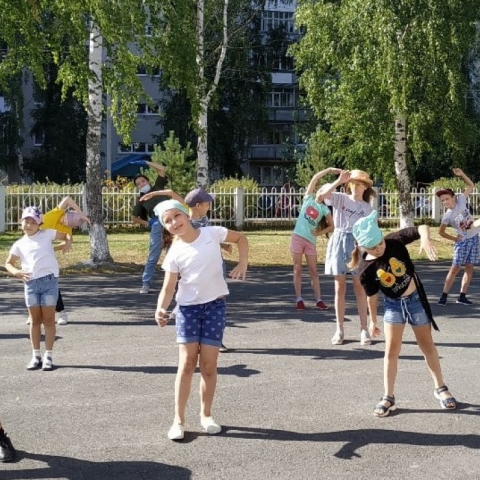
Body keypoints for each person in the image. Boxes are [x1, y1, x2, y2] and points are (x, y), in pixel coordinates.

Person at [153, 200, 248, 441]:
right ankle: (178, 420)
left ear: (186, 214)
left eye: (177, 216)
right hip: (188, 311)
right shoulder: (174, 252)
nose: (174, 222)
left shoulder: (211, 233)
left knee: (208, 366)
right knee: (186, 364)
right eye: (168, 221)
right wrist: (160, 310)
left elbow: (241, 239)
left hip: (215, 306)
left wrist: (243, 262)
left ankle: (206, 416)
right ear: (165, 226)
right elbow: (168, 287)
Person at [349, 210, 456, 417]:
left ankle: (440, 388)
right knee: (391, 350)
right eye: (373, 247)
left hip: (415, 301)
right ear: (363, 247)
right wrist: (372, 321)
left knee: (427, 346)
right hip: (393, 306)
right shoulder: (365, 269)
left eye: (380, 242)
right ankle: (388, 397)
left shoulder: (394, 241)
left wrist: (425, 240)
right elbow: (372, 296)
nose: (380, 248)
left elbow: (422, 227)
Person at [144, 186, 232, 352]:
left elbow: (210, 236)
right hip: (195, 265)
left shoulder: (204, 220)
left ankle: (213, 338)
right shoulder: (186, 217)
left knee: (215, 296)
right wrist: (154, 194)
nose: (210, 205)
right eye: (207, 203)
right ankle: (195, 331)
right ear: (197, 205)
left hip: (213, 262)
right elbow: (171, 194)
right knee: (199, 294)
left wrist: (225, 245)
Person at [5, 206, 71, 371]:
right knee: (35, 321)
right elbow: (8, 263)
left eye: (33, 222)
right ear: (21, 223)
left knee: (48, 320)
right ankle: (36, 356)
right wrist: (17, 272)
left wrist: (67, 242)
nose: (29, 225)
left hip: (49, 283)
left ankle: (48, 355)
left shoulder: (47, 234)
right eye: (25, 221)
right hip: (31, 284)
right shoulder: (19, 244)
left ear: (39, 223)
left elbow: (66, 234)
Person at [322, 169, 376, 346]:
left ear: (365, 187)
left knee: (359, 288)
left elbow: (370, 232)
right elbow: (321, 196)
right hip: (339, 241)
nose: (357, 187)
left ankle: (363, 328)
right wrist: (338, 181)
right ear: (349, 185)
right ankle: (339, 328)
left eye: (360, 184)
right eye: (354, 183)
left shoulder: (367, 208)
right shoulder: (339, 198)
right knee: (340, 288)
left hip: (358, 245)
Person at [27, 195, 90, 325]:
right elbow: (67, 199)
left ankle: (62, 313)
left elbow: (67, 243)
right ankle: (33, 315)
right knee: (32, 285)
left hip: (45, 257)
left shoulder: (66, 229)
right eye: (67, 219)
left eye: (69, 224)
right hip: (32, 252)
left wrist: (52, 249)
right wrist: (81, 213)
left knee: (51, 285)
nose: (65, 223)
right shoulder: (56, 213)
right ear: (67, 213)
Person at [290, 168, 337, 311]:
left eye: (328, 194)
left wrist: (319, 232)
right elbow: (315, 178)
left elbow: (333, 226)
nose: (325, 195)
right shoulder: (308, 198)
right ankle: (299, 299)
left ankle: (319, 300)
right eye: (325, 191)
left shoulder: (324, 209)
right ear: (320, 190)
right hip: (298, 238)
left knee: (313, 271)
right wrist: (329, 170)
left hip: (310, 241)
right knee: (297, 269)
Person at [436, 168, 479, 306]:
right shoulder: (447, 216)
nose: (445, 202)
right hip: (462, 242)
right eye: (442, 201)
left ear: (453, 197)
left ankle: (462, 296)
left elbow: (471, 185)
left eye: (447, 198)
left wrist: (462, 175)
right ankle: (444, 296)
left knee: (469, 268)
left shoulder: (461, 200)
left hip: (474, 238)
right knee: (454, 269)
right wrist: (454, 239)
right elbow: (440, 232)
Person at [131, 160, 169, 294]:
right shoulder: (141, 200)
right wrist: (148, 223)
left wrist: (146, 162)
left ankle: (177, 283)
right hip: (157, 224)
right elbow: (135, 218)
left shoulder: (158, 187)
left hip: (173, 220)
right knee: (153, 255)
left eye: (143, 181)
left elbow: (162, 169)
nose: (141, 184)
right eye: (138, 184)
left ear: (148, 181)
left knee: (174, 253)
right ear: (137, 188)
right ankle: (146, 283)